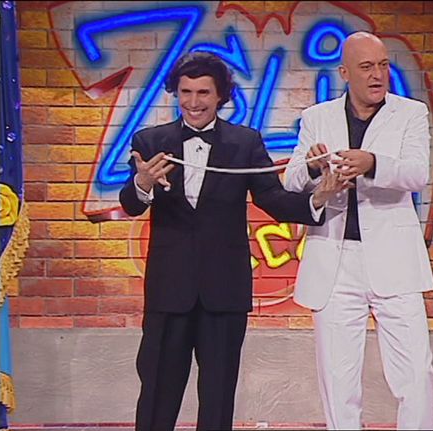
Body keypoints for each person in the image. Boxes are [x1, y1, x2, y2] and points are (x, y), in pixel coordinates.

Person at [119, 51, 346, 431]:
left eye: (203, 93)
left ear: (221, 95)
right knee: (157, 390)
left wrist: (317, 199)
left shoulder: (244, 142)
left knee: (219, 395)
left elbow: (272, 199)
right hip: (168, 290)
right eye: (186, 92)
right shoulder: (150, 140)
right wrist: (142, 184)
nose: (193, 102)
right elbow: (131, 204)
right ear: (175, 92)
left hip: (224, 291)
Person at [284, 31, 433, 430]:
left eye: (383, 65)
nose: (377, 75)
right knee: (339, 379)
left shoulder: (410, 113)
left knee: (416, 373)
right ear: (345, 73)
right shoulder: (317, 117)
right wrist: (314, 167)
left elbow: (416, 173)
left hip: (395, 260)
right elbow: (291, 181)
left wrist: (372, 163)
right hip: (335, 261)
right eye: (366, 67)